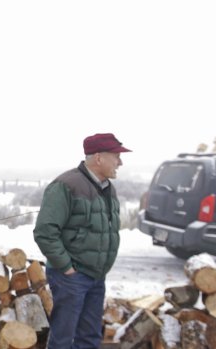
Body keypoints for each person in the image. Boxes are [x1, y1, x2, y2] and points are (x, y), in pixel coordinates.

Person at [33, 133, 131, 349]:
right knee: (63, 338)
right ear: (98, 158)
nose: (120, 162)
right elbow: (44, 232)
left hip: (96, 276)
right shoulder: (65, 185)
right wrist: (66, 267)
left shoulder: (108, 189)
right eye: (116, 156)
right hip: (71, 276)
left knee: (90, 336)